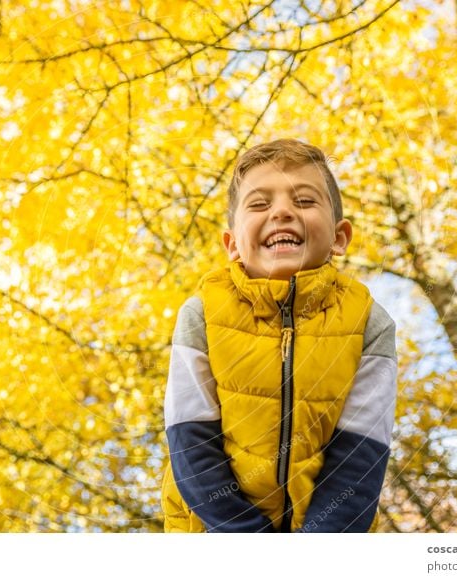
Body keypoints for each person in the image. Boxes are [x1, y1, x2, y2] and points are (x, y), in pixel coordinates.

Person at [160, 138, 397, 533]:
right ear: (233, 244)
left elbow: (360, 457)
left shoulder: (370, 323)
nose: (283, 211)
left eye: (304, 201)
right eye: (259, 204)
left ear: (339, 237)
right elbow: (191, 443)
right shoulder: (201, 315)